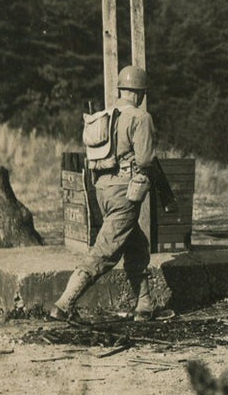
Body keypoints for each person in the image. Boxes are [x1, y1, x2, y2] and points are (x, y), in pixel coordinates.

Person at [50, 65, 168, 322]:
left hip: (101, 190)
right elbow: (146, 159)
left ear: (121, 89)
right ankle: (64, 304)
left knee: (136, 245)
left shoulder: (103, 115)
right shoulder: (140, 117)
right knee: (105, 251)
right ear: (140, 93)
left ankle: (145, 307)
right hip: (126, 193)